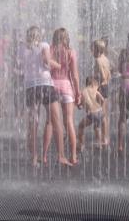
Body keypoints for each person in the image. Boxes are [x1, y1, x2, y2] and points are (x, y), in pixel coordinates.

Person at [19, 26, 71, 167]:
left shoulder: (22, 49)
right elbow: (47, 61)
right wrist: (58, 65)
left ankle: (35, 157)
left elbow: (21, 67)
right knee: (55, 119)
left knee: (33, 123)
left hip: (30, 87)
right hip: (45, 84)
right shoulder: (44, 45)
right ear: (38, 36)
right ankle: (61, 156)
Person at [49, 28, 80, 164]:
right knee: (69, 122)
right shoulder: (71, 52)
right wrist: (77, 92)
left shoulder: (51, 50)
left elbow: (47, 68)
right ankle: (73, 156)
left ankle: (60, 155)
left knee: (56, 123)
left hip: (52, 86)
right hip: (67, 87)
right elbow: (75, 75)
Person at [91, 39, 111, 147]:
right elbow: (109, 75)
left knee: (98, 114)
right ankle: (105, 138)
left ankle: (100, 140)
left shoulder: (98, 60)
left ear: (96, 49)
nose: (91, 52)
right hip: (106, 87)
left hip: (100, 87)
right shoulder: (106, 59)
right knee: (104, 114)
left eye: (92, 49)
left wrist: (94, 80)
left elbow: (102, 76)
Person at [77, 76, 104, 152]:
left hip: (92, 113)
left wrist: (80, 106)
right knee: (97, 127)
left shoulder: (83, 92)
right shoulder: (94, 89)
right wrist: (100, 106)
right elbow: (102, 99)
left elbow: (80, 105)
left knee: (81, 126)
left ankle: (81, 145)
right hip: (100, 112)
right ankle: (99, 144)